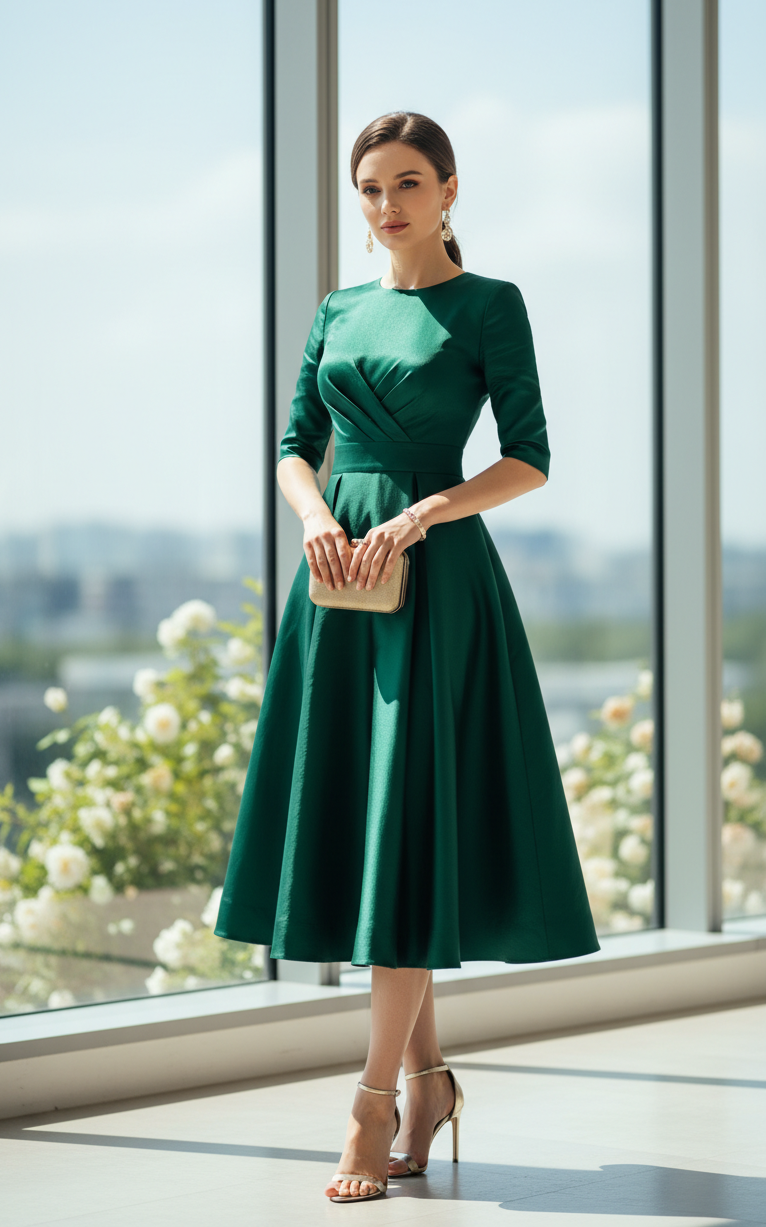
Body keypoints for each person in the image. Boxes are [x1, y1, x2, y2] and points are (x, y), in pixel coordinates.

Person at [214, 111, 599, 1204]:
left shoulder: (490, 305)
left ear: (450, 191)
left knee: (405, 833)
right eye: (372, 189)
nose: (388, 206)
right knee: (380, 835)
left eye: (409, 184)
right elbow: (294, 445)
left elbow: (530, 458)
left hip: (435, 588)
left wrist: (426, 510)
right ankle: (429, 1084)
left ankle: (371, 1103)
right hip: (337, 586)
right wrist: (310, 517)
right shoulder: (338, 308)